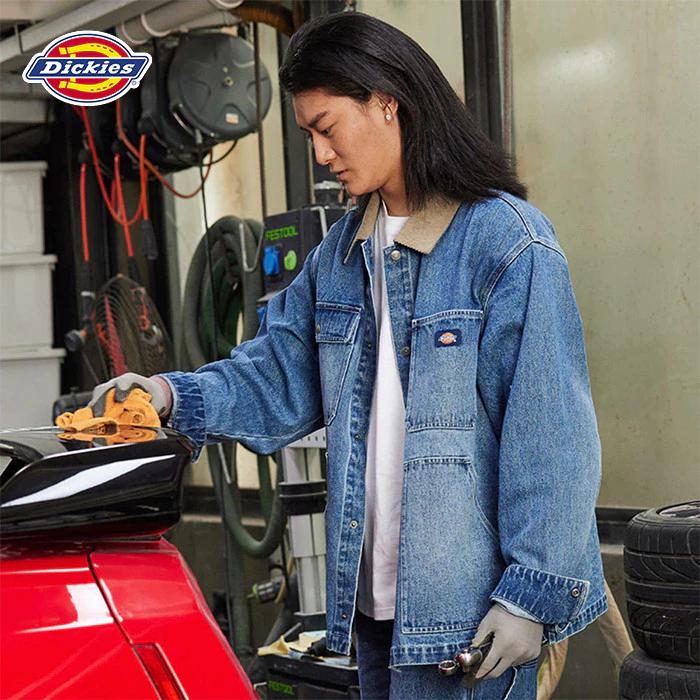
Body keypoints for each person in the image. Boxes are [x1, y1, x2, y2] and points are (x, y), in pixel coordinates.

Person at [91, 12, 608, 700]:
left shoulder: (506, 244)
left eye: (326, 127)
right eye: (308, 134)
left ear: (386, 102)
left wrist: (531, 598)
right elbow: (279, 376)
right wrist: (168, 395)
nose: (320, 153)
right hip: (373, 613)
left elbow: (551, 436)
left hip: (469, 621)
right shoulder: (341, 255)